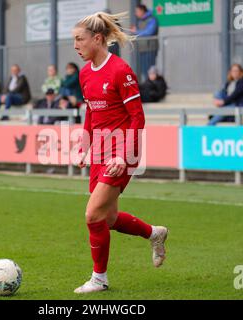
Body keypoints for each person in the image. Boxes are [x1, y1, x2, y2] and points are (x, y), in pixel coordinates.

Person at [72, 12, 168, 294]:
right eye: (74, 40)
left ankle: (99, 279)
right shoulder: (85, 73)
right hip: (100, 150)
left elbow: (138, 118)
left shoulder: (120, 70)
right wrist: (85, 144)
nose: (75, 45)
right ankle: (155, 233)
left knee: (92, 215)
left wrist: (123, 156)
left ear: (98, 39)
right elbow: (91, 110)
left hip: (123, 151)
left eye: (80, 39)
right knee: (108, 219)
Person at [131, 4, 159, 82]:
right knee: (144, 71)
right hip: (142, 49)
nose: (135, 13)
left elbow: (149, 32)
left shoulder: (152, 19)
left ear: (142, 11)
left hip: (150, 49)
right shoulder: (140, 21)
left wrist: (136, 32)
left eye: (137, 11)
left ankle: (153, 88)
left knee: (151, 71)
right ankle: (148, 87)